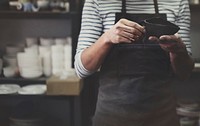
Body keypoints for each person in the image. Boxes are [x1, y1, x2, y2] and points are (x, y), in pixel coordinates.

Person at [74, 0, 194, 126]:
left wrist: (177, 51)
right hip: (111, 117)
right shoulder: (97, 2)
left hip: (163, 117)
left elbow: (184, 73)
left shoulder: (178, 2)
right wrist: (107, 38)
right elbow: (82, 69)